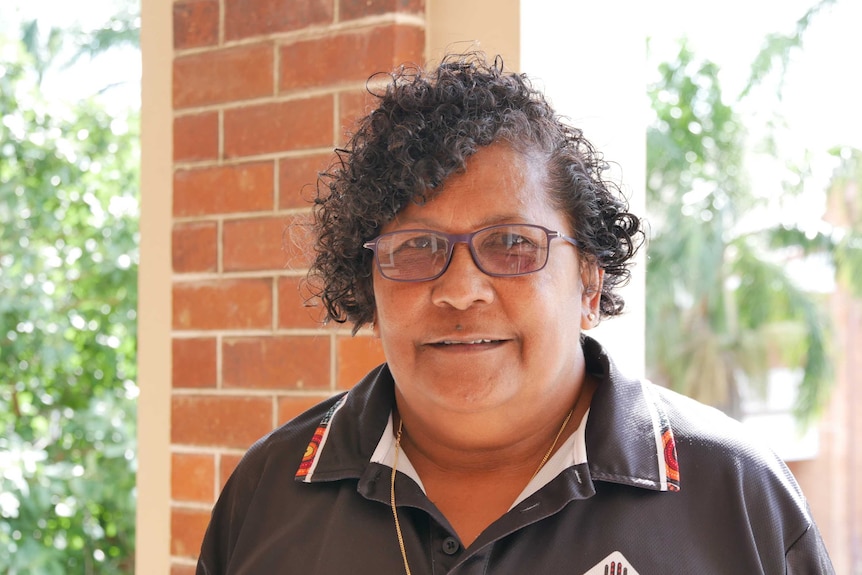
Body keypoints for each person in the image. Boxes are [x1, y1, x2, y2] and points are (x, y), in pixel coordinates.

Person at [196, 52, 834, 574]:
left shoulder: (738, 497)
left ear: (589, 279)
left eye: (511, 244)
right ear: (368, 281)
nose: (460, 290)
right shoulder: (269, 491)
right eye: (418, 247)